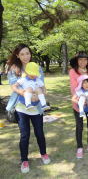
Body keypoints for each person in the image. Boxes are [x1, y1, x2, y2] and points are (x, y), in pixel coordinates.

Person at [6, 44, 50, 173]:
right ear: (17, 55)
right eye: (22, 54)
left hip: (36, 108)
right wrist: (27, 95)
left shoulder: (37, 67)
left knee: (40, 133)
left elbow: (42, 86)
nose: (26, 56)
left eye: (28, 53)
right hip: (21, 108)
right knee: (24, 135)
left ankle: (44, 154)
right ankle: (24, 160)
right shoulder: (14, 69)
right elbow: (14, 87)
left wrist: (39, 94)